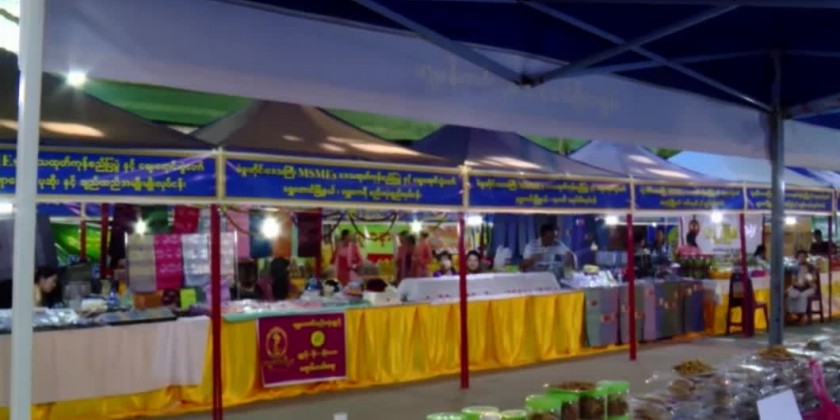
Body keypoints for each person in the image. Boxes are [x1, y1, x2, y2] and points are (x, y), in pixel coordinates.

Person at [787, 250, 817, 321]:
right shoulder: (795, 267)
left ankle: (803, 314)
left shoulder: (811, 267)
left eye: (804, 256)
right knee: (791, 294)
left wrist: (806, 274)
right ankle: (793, 313)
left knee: (802, 296)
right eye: (800, 257)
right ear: (797, 258)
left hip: (809, 287)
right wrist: (798, 284)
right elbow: (793, 280)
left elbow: (813, 279)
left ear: (806, 257)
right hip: (798, 287)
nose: (802, 258)